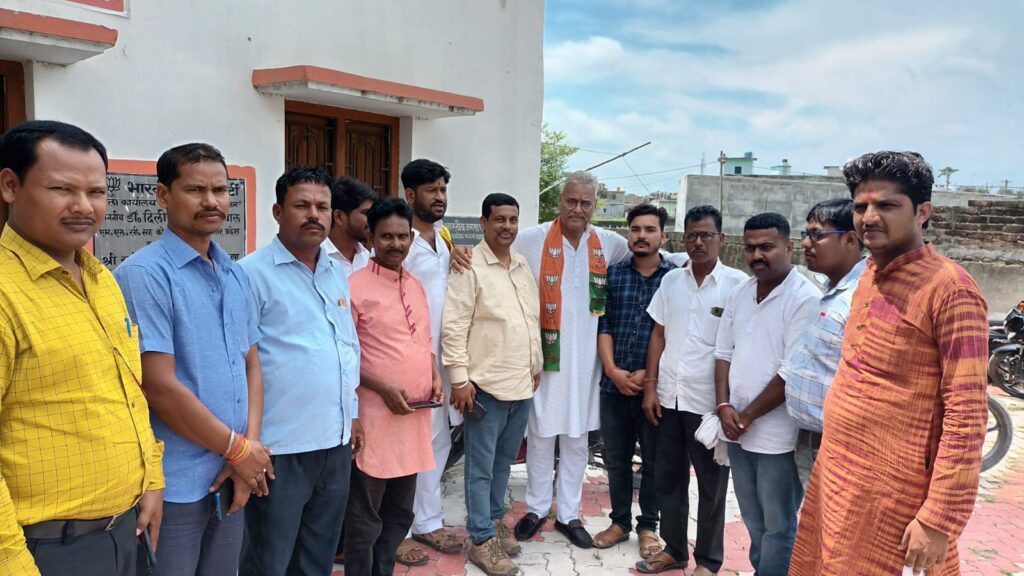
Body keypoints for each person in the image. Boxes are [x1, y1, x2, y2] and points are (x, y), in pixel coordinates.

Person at [790, 152, 988, 576]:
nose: (869, 217)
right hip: (838, 477)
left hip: (896, 496)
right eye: (861, 206)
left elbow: (967, 412)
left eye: (887, 205)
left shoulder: (950, 288)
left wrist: (939, 519)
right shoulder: (867, 276)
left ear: (922, 212)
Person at [0, 120, 164, 575]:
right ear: (10, 185)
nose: (83, 207)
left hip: (124, 531)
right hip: (45, 548)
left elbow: (127, 392)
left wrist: (151, 479)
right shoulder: (6, 291)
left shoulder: (101, 279)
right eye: (62, 189)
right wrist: (11, 560)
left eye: (96, 192)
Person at [114, 143, 270, 575]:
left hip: (233, 471)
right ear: (164, 195)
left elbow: (251, 363)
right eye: (196, 190)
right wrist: (239, 449)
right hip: (176, 481)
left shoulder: (234, 272)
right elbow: (159, 386)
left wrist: (249, 451)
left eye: (220, 190)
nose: (211, 201)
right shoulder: (145, 275)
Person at [238, 167, 362, 576]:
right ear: (278, 212)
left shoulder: (334, 271)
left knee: (317, 556)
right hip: (280, 447)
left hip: (334, 443)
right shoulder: (250, 274)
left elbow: (347, 345)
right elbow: (240, 364)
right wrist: (249, 444)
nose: (314, 215)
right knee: (269, 560)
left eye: (322, 207)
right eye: (302, 206)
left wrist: (352, 413)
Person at [512, 170, 630, 548]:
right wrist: (460, 253)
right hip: (545, 359)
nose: (577, 209)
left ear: (595, 206)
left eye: (585, 203)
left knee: (578, 441)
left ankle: (568, 514)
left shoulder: (609, 243)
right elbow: (494, 257)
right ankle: (535, 509)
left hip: (586, 363)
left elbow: (647, 256)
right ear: (559, 202)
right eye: (571, 201)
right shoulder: (531, 239)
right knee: (541, 436)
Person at [637, 205, 747, 575]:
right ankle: (674, 550)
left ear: (721, 238)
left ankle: (709, 561)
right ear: (682, 239)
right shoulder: (672, 281)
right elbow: (658, 334)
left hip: (709, 405)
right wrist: (650, 387)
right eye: (692, 236)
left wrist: (726, 401)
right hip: (669, 397)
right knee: (668, 477)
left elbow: (740, 347)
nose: (698, 242)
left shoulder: (737, 285)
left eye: (706, 235)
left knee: (712, 486)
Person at [713, 212, 820, 576]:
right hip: (736, 428)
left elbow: (792, 371)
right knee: (752, 518)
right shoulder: (741, 292)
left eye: (767, 247)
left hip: (778, 435)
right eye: (750, 248)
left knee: (778, 524)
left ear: (789, 247)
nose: (756, 255)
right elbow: (723, 352)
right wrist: (724, 406)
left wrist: (746, 416)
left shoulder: (805, 298)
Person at [442, 193, 542, 576]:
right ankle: (481, 539)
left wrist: (534, 364)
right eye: (499, 219)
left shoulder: (521, 265)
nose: (507, 226)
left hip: (521, 385)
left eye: (513, 219)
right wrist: (459, 379)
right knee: (480, 468)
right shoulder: (469, 265)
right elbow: (454, 326)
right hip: (485, 388)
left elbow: (528, 320)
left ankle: (496, 520)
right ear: (484, 222)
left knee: (504, 464)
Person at [345, 196, 441, 576]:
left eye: (403, 236)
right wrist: (383, 388)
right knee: (365, 515)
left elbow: (423, 341)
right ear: (370, 236)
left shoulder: (415, 284)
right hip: (373, 419)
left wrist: (433, 375)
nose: (396, 244)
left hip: (413, 419)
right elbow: (344, 356)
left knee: (400, 512)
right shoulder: (354, 287)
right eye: (387, 236)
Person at [591, 204, 675, 560]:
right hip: (614, 386)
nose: (642, 235)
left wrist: (647, 374)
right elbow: (603, 323)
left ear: (663, 236)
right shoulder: (611, 275)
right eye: (636, 229)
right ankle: (620, 522)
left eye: (650, 229)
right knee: (616, 458)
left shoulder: (675, 279)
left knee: (653, 460)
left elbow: (674, 332)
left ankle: (648, 527)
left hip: (653, 389)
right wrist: (612, 370)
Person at [396, 159, 465, 564]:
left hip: (446, 358)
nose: (440, 197)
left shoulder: (444, 237)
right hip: (411, 358)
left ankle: (428, 520)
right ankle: (399, 530)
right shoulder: (401, 241)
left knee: (437, 441)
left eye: (443, 189)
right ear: (410, 195)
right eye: (431, 190)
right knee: (407, 443)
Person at [781, 198, 865, 491]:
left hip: (840, 447)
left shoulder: (861, 297)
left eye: (817, 235)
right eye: (806, 234)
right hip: (810, 441)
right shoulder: (831, 291)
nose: (806, 243)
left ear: (850, 239)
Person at [324, 175, 375, 277]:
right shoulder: (316, 257)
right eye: (366, 213)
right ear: (339, 217)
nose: (373, 220)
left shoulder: (368, 258)